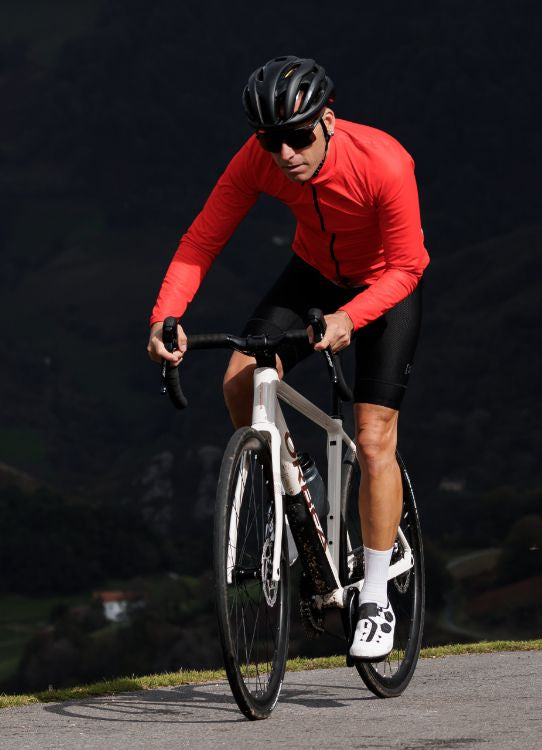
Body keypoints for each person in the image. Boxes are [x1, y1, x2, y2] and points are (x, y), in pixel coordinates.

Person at [144, 56, 428, 661]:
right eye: (272, 141)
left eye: (298, 137)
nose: (286, 154)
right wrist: (165, 316)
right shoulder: (258, 159)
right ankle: (298, 489)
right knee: (239, 381)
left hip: (385, 288)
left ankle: (375, 596)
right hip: (313, 276)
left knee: (372, 437)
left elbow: (409, 266)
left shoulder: (384, 162)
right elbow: (202, 239)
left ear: (328, 120)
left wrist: (352, 317)